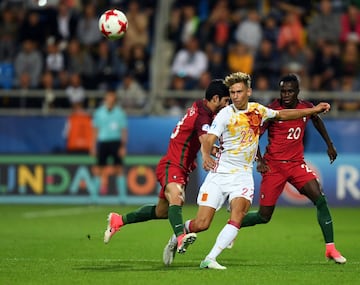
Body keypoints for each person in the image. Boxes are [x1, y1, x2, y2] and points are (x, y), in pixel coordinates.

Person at [163, 72, 332, 269]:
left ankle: (210, 258)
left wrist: (313, 111)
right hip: (220, 174)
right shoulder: (225, 114)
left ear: (248, 92)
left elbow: (284, 114)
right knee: (202, 223)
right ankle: (177, 238)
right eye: (232, 92)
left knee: (238, 216)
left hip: (243, 176)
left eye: (239, 92)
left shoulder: (258, 110)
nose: (235, 96)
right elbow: (209, 139)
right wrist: (207, 155)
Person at [103, 79, 231, 255]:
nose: (227, 104)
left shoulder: (201, 107)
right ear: (215, 99)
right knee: (176, 197)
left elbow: (199, 138)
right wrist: (206, 154)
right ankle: (180, 238)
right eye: (226, 101)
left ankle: (119, 220)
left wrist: (210, 149)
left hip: (180, 166)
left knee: (162, 211)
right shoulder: (203, 115)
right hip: (173, 164)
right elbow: (204, 140)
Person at [239, 74, 346, 264]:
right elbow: (253, 135)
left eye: (290, 91)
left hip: (296, 164)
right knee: (264, 217)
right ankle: (235, 224)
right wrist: (260, 159)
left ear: (297, 92)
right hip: (274, 167)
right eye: (283, 91)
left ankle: (330, 248)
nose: (286, 95)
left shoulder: (305, 107)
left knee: (320, 199)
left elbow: (316, 119)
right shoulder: (271, 110)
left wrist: (329, 144)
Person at [91, 89, 128, 195]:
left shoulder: (120, 113)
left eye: (112, 97)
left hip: (115, 142)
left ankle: (122, 198)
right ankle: (94, 198)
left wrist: (123, 146)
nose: (110, 99)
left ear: (114, 99)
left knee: (119, 169)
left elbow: (124, 130)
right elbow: (95, 130)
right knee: (99, 168)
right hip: (103, 142)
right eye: (108, 97)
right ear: (105, 98)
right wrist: (93, 145)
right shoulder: (99, 112)